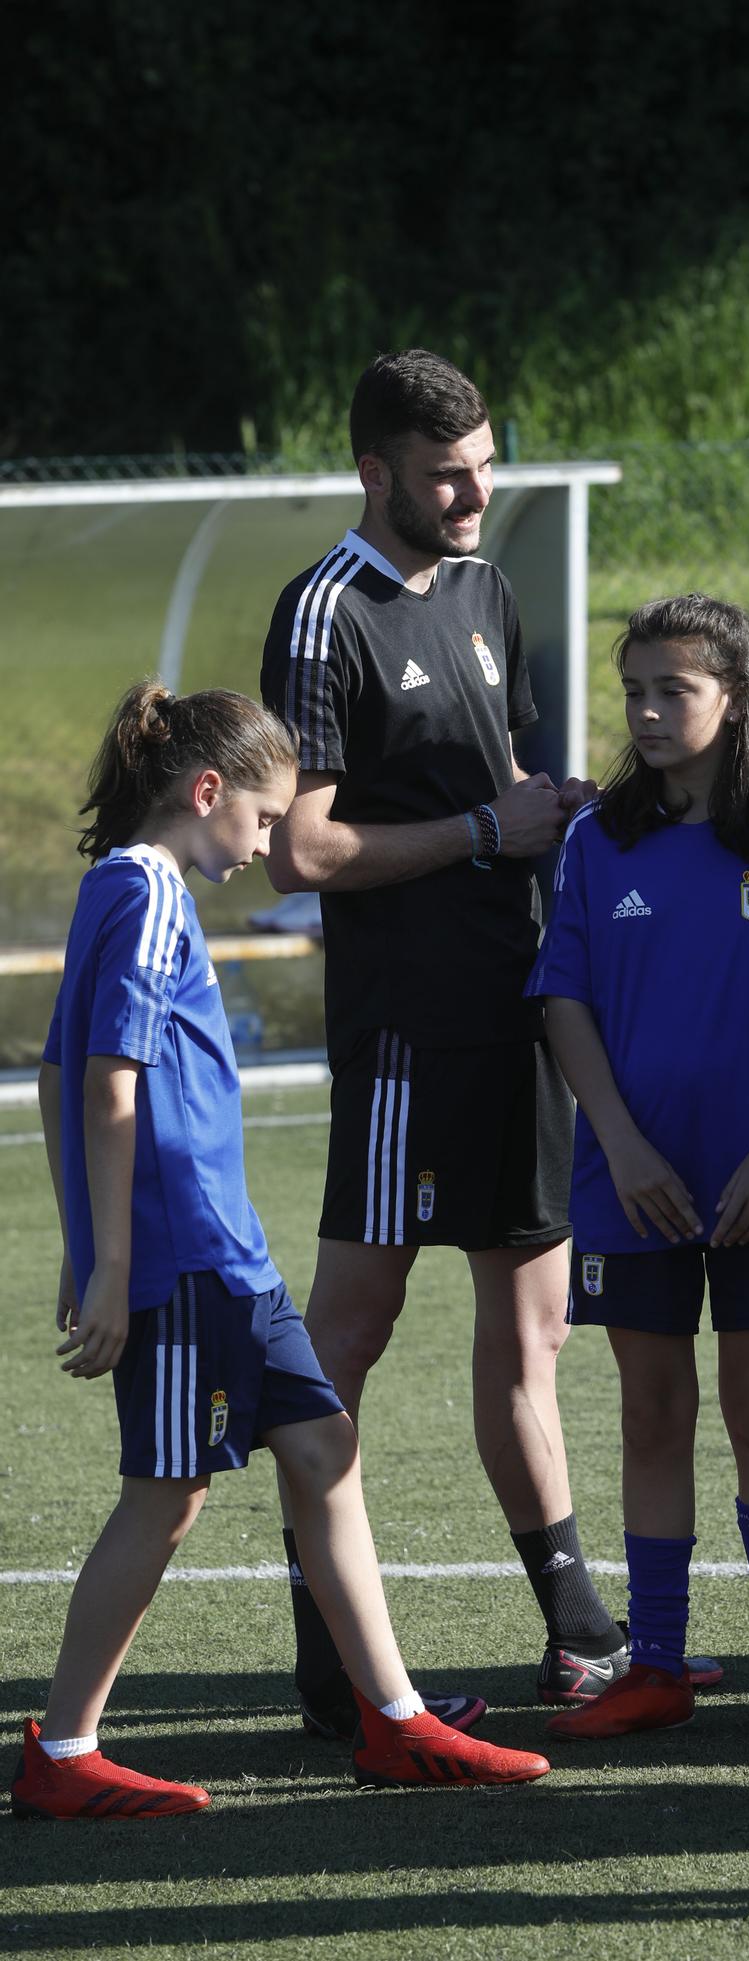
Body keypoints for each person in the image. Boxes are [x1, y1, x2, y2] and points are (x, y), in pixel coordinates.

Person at [12, 683, 550, 1818]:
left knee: (324, 1451)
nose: (267, 843)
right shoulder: (149, 893)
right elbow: (105, 1082)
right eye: (260, 818)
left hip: (232, 1256)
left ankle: (396, 1720)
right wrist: (108, 1263)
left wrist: (82, 1242)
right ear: (204, 792)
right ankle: (63, 1750)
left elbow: (61, 1070)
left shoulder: (123, 885)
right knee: (168, 1494)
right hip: (184, 1254)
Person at [259, 349, 626, 1733]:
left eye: (483, 464)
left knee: (534, 1332)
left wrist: (559, 810)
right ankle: (334, 1669)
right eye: (444, 474)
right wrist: (484, 832)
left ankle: (579, 1630)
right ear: (376, 471)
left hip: (517, 1011)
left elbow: (511, 788)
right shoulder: (322, 616)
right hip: (407, 1032)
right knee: (351, 1328)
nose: (474, 492)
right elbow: (300, 849)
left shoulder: (486, 586)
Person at [527, 594, 749, 1741]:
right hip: (632, 1184)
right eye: (634, 688)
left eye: (672, 687)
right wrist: (620, 1144)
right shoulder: (598, 836)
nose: (646, 709)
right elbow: (561, 997)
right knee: (651, 1410)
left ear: (735, 694)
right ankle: (658, 1663)